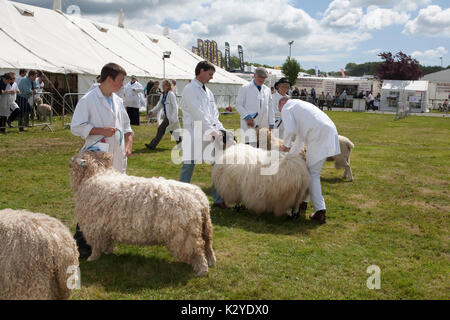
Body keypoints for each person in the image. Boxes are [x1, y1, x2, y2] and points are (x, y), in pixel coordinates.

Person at [71, 62, 134, 259]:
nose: (122, 84)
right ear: (109, 79)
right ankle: (82, 243)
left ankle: (106, 241)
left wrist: (128, 144)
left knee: (113, 199)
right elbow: (76, 126)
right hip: (97, 156)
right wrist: (100, 130)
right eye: (120, 80)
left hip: (116, 155)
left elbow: (126, 125)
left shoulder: (117, 100)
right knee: (92, 200)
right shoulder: (89, 100)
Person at [278, 97, 341, 224]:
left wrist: (285, 146)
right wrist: (288, 157)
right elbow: (300, 140)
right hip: (327, 131)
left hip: (318, 135)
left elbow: (289, 130)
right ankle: (303, 203)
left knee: (313, 174)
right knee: (310, 172)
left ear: (282, 104)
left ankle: (320, 211)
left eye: (279, 109)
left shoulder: (287, 107)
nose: (280, 112)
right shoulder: (300, 106)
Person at [179, 60, 228, 209]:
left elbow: (214, 114)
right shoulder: (190, 89)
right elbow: (197, 113)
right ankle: (180, 197)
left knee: (218, 165)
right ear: (201, 71)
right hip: (194, 133)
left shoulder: (208, 91)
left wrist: (221, 129)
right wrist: (212, 131)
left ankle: (218, 199)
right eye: (210, 74)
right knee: (188, 166)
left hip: (210, 133)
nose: (211, 77)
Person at [235, 67, 274, 146]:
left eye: (263, 77)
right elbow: (238, 105)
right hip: (249, 123)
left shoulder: (267, 90)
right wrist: (247, 117)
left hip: (263, 124)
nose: (261, 79)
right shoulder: (245, 88)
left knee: (262, 148)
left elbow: (270, 107)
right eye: (260, 76)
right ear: (255, 75)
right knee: (249, 149)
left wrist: (271, 123)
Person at [145, 79, 181, 150]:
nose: (162, 86)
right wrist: (152, 111)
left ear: (168, 86)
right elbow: (159, 106)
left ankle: (152, 145)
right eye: (162, 85)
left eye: (164, 85)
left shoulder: (171, 94)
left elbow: (175, 107)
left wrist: (173, 118)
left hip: (171, 117)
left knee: (161, 129)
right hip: (168, 117)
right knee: (173, 132)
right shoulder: (163, 94)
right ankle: (181, 144)